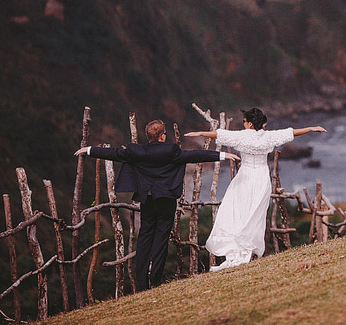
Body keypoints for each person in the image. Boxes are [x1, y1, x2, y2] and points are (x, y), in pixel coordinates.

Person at [74, 119, 238, 290]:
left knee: (144, 238)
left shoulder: (136, 151)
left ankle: (142, 283)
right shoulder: (171, 150)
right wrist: (222, 156)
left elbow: (114, 153)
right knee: (161, 239)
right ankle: (156, 279)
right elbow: (193, 155)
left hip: (148, 201)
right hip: (166, 200)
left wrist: (89, 150)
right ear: (162, 136)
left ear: (149, 136)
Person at [184, 108, 325, 271]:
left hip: (245, 177)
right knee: (254, 214)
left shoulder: (242, 136)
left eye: (244, 121)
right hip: (261, 178)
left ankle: (238, 248)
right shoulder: (268, 136)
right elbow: (291, 132)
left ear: (250, 123)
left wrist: (200, 133)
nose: (243, 124)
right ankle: (246, 247)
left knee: (237, 211)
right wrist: (311, 128)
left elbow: (219, 135)